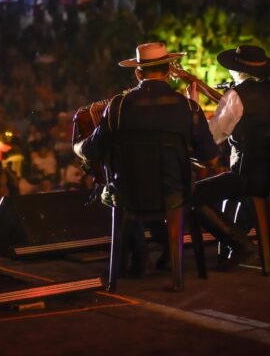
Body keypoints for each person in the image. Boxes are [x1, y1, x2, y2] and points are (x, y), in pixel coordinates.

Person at [74, 42, 219, 277]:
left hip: (128, 194)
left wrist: (77, 146)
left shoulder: (118, 106)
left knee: (113, 191)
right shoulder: (189, 107)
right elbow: (210, 158)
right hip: (173, 194)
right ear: (169, 71)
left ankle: (135, 262)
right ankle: (169, 261)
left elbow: (92, 152)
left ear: (138, 73)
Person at [190, 44, 270, 266]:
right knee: (240, 190)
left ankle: (238, 243)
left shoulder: (236, 97)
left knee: (192, 195)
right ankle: (239, 244)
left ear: (236, 70)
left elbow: (212, 138)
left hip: (249, 179)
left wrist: (195, 107)